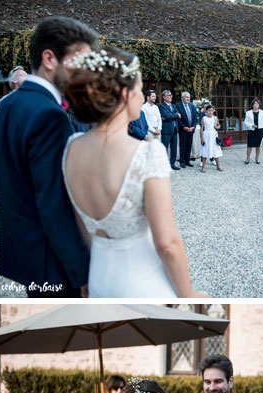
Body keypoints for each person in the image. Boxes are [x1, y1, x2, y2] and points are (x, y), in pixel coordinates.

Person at [61, 47, 205, 299]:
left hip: (98, 277)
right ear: (126, 94)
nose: (142, 97)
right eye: (139, 89)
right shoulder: (148, 154)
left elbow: (82, 226)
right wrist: (188, 296)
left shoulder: (71, 148)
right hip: (141, 282)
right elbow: (167, 244)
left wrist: (88, 275)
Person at [0, 16, 97, 298]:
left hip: (25, 253)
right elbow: (54, 204)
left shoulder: (8, 105)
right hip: (54, 261)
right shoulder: (49, 115)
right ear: (49, 59)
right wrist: (82, 274)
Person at [159, 90, 180, 170]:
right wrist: (175, 115)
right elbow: (166, 115)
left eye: (171, 95)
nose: (170, 96)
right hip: (166, 130)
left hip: (174, 130)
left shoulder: (174, 106)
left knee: (174, 148)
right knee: (164, 148)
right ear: (164, 97)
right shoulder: (161, 106)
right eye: (168, 95)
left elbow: (175, 115)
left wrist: (171, 116)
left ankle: (172, 164)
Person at [199, 104, 223, 172]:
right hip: (206, 135)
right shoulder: (204, 118)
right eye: (209, 110)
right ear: (206, 111)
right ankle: (203, 167)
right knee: (205, 150)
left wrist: (217, 127)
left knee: (215, 150)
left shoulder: (215, 118)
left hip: (213, 135)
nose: (210, 112)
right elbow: (201, 129)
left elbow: (219, 126)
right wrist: (202, 138)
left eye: (212, 110)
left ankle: (218, 166)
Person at [177, 91, 198, 168]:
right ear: (182, 98)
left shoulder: (192, 105)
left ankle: (187, 161)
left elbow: (195, 117)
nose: (188, 98)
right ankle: (182, 161)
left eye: (189, 97)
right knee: (183, 145)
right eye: (186, 97)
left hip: (191, 129)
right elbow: (178, 119)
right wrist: (183, 127)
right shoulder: (177, 106)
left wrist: (193, 126)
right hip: (183, 129)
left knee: (189, 145)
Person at [244, 98, 263, 165]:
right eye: (255, 103)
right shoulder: (248, 113)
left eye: (257, 103)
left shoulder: (262, 112)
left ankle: (257, 158)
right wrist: (251, 125)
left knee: (258, 145)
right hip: (252, 130)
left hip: (260, 130)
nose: (256, 105)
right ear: (252, 105)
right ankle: (247, 158)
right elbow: (246, 122)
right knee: (249, 145)